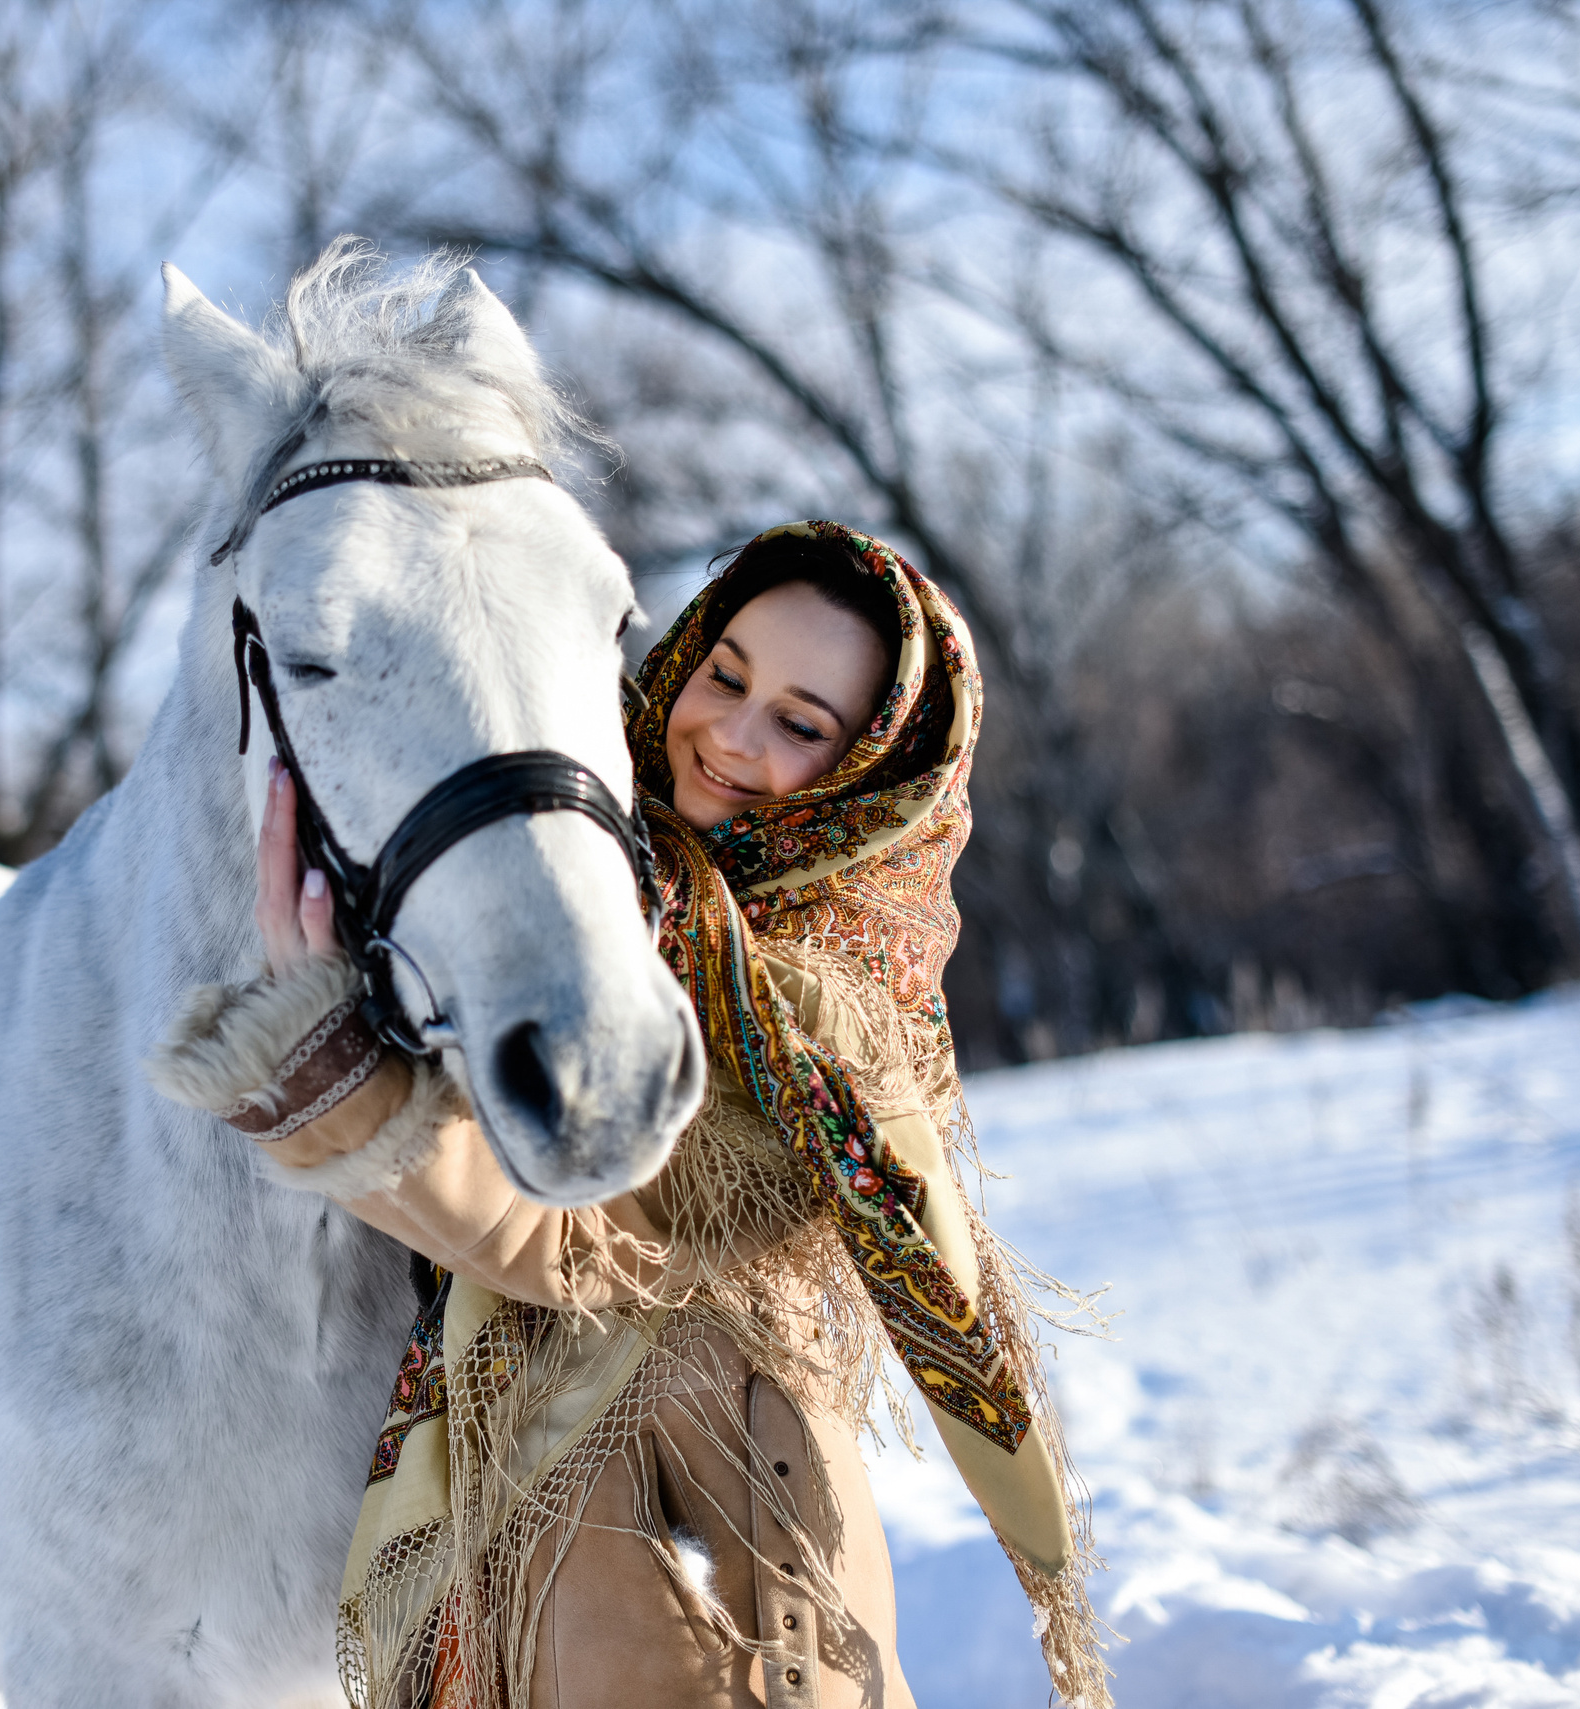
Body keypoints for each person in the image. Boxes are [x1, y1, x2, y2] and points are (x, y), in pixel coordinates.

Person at [151, 521, 1108, 1709]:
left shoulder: (817, 1001)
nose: (730, 734)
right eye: (726, 673)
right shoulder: (568, 861)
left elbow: (598, 1247)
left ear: (871, 777)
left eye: (802, 725)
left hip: (694, 1517)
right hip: (550, 1512)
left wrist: (337, 1079)